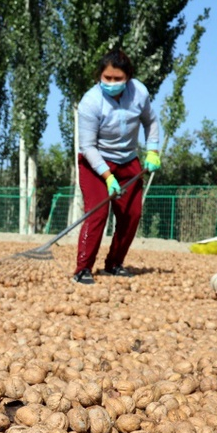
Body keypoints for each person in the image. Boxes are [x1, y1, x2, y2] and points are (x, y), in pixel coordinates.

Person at [72, 48, 161, 285]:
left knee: (132, 215)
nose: (111, 83)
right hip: (95, 163)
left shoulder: (139, 93)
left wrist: (152, 149)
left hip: (128, 160)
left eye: (117, 79)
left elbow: (150, 120)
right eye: (107, 78)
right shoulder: (90, 103)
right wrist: (107, 176)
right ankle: (83, 269)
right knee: (97, 213)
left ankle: (114, 263)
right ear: (99, 77)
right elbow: (88, 147)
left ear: (128, 78)